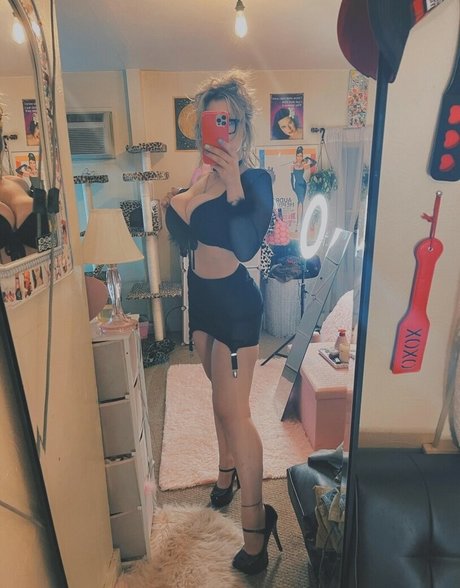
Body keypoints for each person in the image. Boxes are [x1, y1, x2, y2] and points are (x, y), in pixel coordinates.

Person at [164, 70, 282, 575]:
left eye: (230, 121)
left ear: (243, 126)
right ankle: (225, 472)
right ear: (201, 130)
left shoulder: (255, 181)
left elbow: (246, 246)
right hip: (203, 303)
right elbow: (187, 235)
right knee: (219, 401)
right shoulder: (198, 180)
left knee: (237, 413)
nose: (221, 131)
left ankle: (257, 527)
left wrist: (233, 184)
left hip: (235, 306)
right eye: (212, 122)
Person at [291, 146, 317, 229]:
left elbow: (314, 162)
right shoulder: (293, 165)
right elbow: (291, 177)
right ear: (296, 156)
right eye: (298, 156)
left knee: (301, 202)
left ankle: (300, 223)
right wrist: (293, 187)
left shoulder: (304, 165)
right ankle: (298, 223)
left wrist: (307, 158)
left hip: (303, 185)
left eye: (301, 156)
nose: (299, 157)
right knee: (299, 202)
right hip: (297, 185)